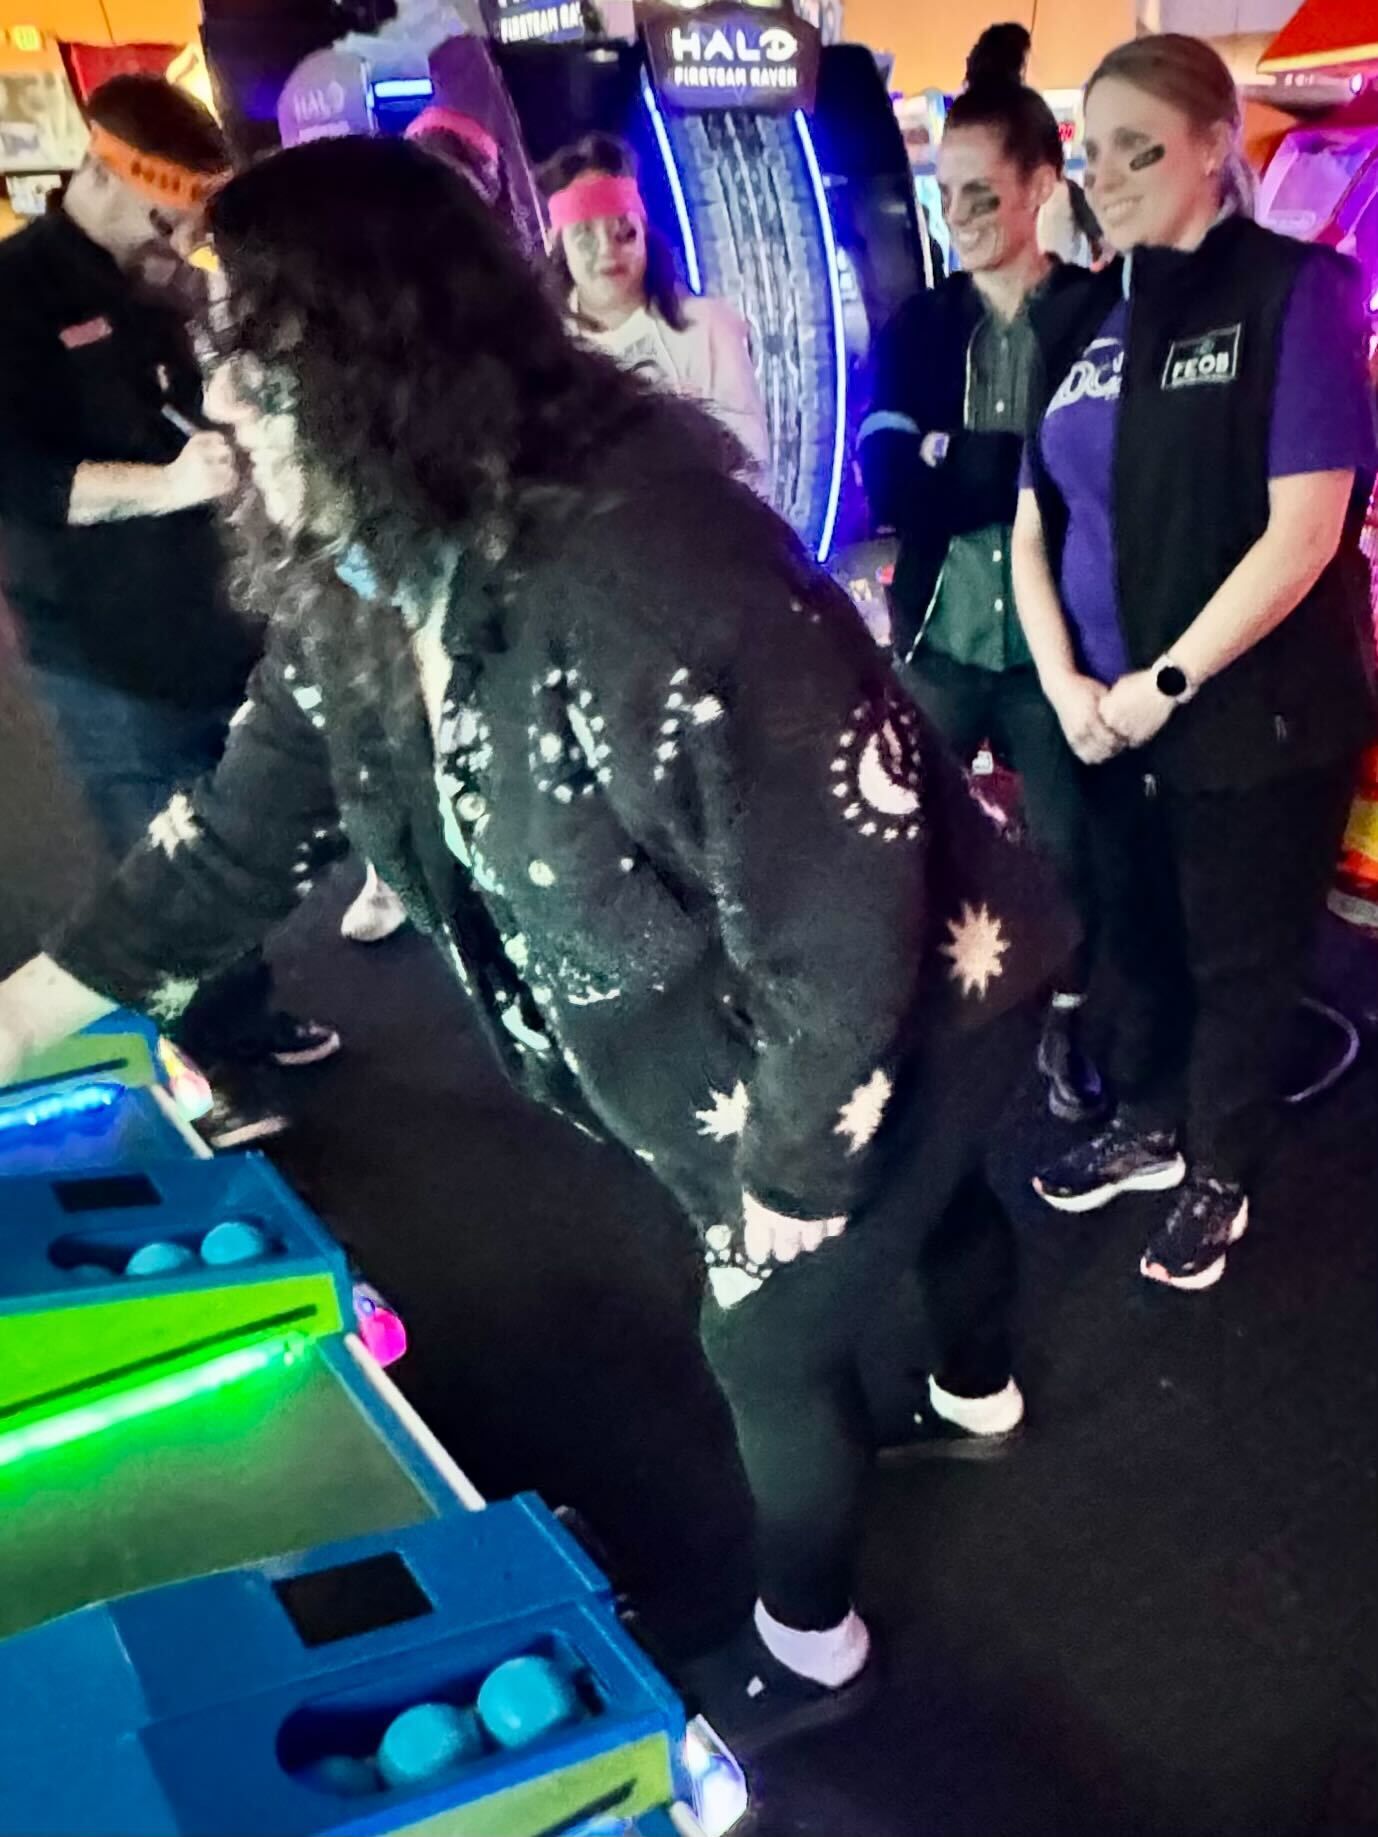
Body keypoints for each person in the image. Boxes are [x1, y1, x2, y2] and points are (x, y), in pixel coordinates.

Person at [0, 137, 1074, 1748]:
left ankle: (810, 1645)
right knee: (925, 1204)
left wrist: (781, 1200)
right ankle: (975, 1385)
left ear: (379, 361)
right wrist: (19, 1016)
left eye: (255, 362)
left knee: (769, 1338)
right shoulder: (363, 572)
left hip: (913, 983)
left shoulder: (655, 570)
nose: (217, 401)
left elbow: (838, 934)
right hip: (787, 1011)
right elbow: (231, 839)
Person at [1013, 33, 1377, 1289]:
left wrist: (1157, 685)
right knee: (1138, 935)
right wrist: (1067, 689)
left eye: (1138, 148)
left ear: (1217, 147)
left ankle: (1221, 1164)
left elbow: (1306, 530)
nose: (1102, 174)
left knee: (1241, 955)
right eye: (1090, 150)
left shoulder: (1296, 291)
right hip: (1103, 712)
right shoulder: (1083, 315)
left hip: (1251, 712)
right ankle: (1154, 1123)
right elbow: (1032, 520)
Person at [0, 75, 339, 1145]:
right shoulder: (11, 294)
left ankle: (244, 1016)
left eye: (192, 216)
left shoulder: (159, 285)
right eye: (166, 215)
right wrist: (164, 485)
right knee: (155, 853)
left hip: (215, 621)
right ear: (97, 172)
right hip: (103, 646)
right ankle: (198, 1070)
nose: (182, 237)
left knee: (223, 829)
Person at [860, 24, 1104, 1125]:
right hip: (942, 633)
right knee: (900, 837)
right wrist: (1009, 465)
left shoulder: (1099, 315)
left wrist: (957, 459)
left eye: (976, 196)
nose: (954, 222)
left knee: (1067, 845)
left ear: (1040, 186)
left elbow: (1097, 484)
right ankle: (902, 1027)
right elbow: (885, 483)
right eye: (943, 196)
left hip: (1061, 646)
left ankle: (1067, 1020)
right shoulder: (920, 321)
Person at [538, 133, 769, 472]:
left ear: (645, 234)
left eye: (624, 233)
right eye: (585, 235)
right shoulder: (545, 348)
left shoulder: (707, 330)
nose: (607, 251)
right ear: (559, 248)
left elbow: (751, 465)